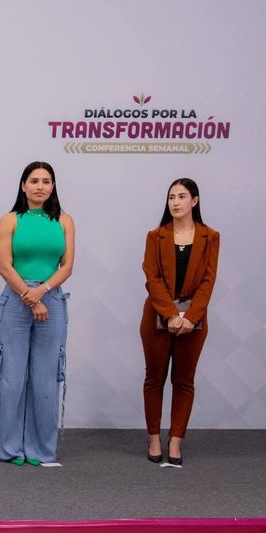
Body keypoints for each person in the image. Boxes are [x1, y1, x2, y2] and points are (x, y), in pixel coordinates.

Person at [0, 161, 75, 465]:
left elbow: (67, 266)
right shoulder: (10, 220)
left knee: (45, 378)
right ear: (23, 185)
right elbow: (4, 266)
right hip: (16, 299)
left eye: (47, 181)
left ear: (53, 186)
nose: (41, 186)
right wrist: (30, 295)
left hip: (51, 300)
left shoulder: (64, 221)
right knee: (11, 377)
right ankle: (9, 448)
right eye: (34, 180)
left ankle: (41, 449)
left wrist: (43, 291)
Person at [141, 178, 219, 466]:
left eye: (182, 196)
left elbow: (208, 280)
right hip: (158, 317)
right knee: (154, 378)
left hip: (194, 321)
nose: (175, 202)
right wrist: (171, 314)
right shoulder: (155, 236)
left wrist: (191, 317)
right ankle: (153, 437)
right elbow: (152, 277)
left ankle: (175, 440)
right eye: (171, 196)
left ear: (194, 201)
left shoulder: (210, 236)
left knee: (184, 381)